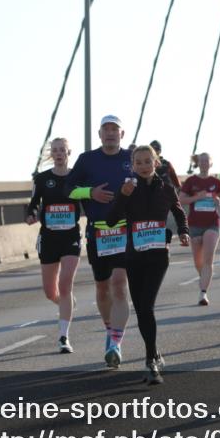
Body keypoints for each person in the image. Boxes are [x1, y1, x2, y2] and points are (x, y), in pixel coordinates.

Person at [107, 145, 189, 384]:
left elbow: (179, 212)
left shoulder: (166, 189)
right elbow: (112, 221)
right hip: (134, 256)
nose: (143, 166)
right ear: (133, 166)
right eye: (138, 162)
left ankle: (150, 361)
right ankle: (154, 353)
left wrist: (183, 232)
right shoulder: (128, 189)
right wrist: (122, 195)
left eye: (147, 161)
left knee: (147, 307)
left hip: (158, 257)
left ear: (156, 163)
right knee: (142, 309)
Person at [67, 114, 134, 368]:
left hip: (124, 231)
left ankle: (116, 342)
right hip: (98, 232)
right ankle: (111, 331)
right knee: (102, 288)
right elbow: (68, 189)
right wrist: (90, 193)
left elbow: (148, 183)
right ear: (99, 134)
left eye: (114, 130)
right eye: (106, 129)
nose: (110, 133)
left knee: (119, 285)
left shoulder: (131, 158)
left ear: (122, 135)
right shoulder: (87, 160)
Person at [26, 138, 82, 353]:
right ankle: (65, 304)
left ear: (69, 152)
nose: (59, 154)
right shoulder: (42, 179)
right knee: (51, 292)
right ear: (51, 153)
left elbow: (87, 201)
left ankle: (63, 337)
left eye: (62, 150)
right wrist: (31, 216)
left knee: (66, 284)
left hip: (71, 237)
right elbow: (33, 205)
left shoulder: (77, 178)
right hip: (49, 238)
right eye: (55, 150)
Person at [178, 153, 220, 305]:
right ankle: (204, 277)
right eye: (201, 160)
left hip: (212, 223)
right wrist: (197, 197)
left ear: (211, 163)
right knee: (198, 262)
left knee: (208, 259)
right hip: (195, 224)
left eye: (207, 160)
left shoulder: (216, 181)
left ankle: (203, 293)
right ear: (198, 163)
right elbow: (181, 199)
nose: (204, 163)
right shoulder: (191, 181)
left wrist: (218, 200)